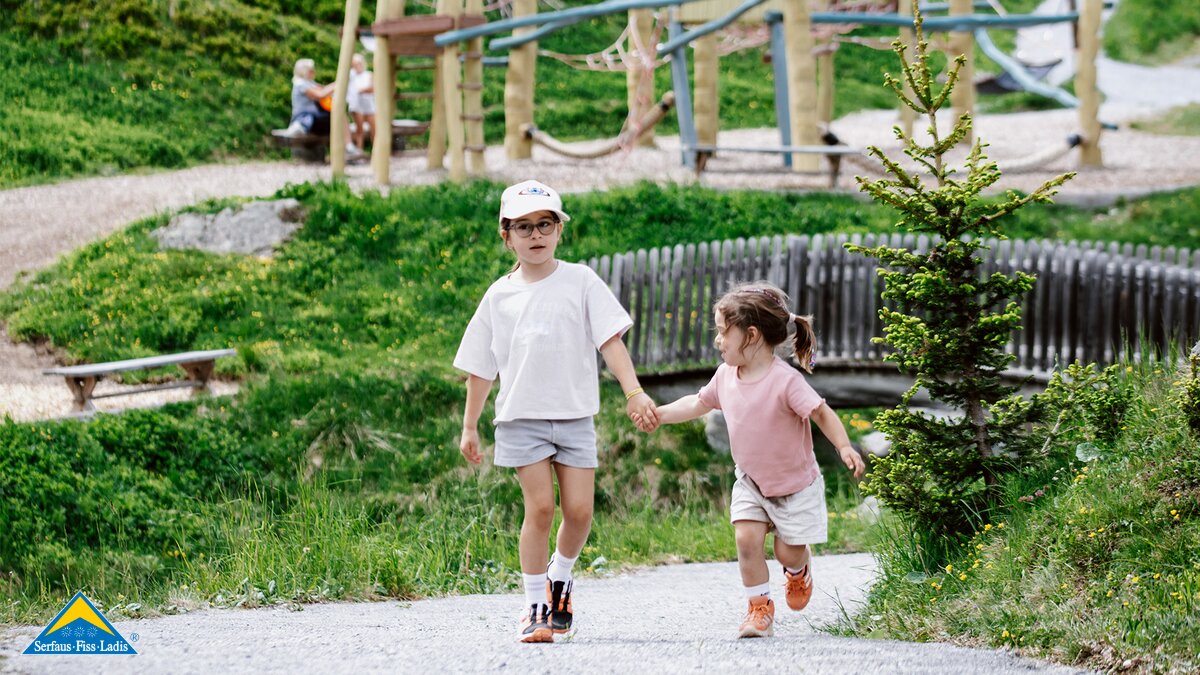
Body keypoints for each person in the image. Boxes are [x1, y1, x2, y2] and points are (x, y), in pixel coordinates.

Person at [454, 180, 659, 643]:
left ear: (560, 229)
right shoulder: (498, 296)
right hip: (520, 417)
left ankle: (560, 575)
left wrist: (634, 393)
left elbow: (610, 340)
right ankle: (534, 608)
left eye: (544, 224)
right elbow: (480, 368)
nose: (535, 235)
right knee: (541, 509)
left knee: (581, 512)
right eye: (523, 227)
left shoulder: (581, 280)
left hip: (574, 416)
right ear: (505, 235)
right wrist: (470, 426)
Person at [635, 282, 865, 639]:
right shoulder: (725, 375)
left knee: (787, 553)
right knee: (746, 539)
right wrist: (660, 415)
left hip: (795, 486)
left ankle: (798, 569)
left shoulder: (786, 381)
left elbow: (821, 413)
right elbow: (698, 403)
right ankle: (759, 609)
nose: (718, 341)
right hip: (751, 482)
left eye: (723, 332)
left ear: (752, 335)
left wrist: (845, 446)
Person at [284, 58, 361, 158]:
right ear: (304, 71)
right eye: (311, 70)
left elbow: (324, 90)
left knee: (340, 114)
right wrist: (339, 82)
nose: (313, 72)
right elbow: (320, 94)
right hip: (305, 117)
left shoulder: (310, 83)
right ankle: (348, 146)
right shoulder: (300, 83)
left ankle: (347, 147)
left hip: (315, 118)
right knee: (338, 115)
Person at [348, 53, 376, 152]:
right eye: (355, 64)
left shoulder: (369, 74)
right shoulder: (351, 75)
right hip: (357, 105)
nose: (358, 66)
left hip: (369, 104)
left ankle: (376, 151)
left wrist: (360, 90)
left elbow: (372, 88)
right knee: (359, 129)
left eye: (359, 63)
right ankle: (359, 151)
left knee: (374, 129)